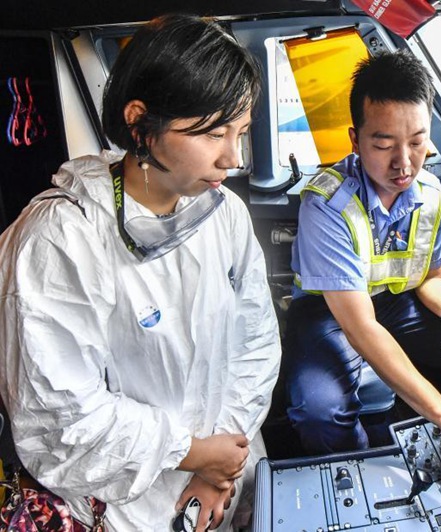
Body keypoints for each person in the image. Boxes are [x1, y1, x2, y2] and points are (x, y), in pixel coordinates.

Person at [0, 14, 281, 530]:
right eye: (214, 132)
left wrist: (223, 462)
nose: (232, 158)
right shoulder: (59, 239)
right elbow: (61, 417)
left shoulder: (225, 214)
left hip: (229, 468)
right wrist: (192, 453)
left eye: (240, 132)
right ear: (140, 124)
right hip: (128, 501)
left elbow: (256, 342)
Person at [286, 50, 441, 456]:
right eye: (384, 144)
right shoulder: (326, 203)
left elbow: (432, 278)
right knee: (320, 412)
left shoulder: (431, 193)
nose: (404, 162)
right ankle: (358, 471)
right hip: (331, 315)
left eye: (417, 142)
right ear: (355, 140)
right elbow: (360, 328)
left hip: (398, 305)